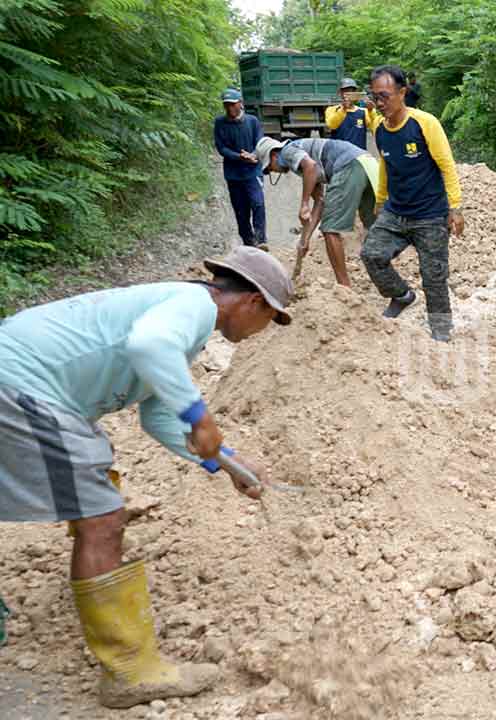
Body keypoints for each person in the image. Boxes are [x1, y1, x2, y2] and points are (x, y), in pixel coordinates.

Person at [0, 247, 293, 708]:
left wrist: (227, 463)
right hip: (22, 382)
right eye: (270, 319)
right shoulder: (192, 307)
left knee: (91, 478)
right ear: (254, 301)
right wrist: (200, 416)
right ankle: (130, 671)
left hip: (18, 374)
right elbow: (148, 346)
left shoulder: (183, 321)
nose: (262, 332)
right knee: (102, 517)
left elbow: (158, 418)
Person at [360, 64, 464, 341]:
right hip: (396, 212)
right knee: (372, 254)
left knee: (434, 278)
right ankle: (402, 295)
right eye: (375, 97)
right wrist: (380, 199)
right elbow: (385, 165)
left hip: (430, 215)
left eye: (385, 96)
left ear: (402, 92)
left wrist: (455, 206)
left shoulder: (425, 123)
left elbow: (446, 164)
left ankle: (441, 334)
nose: (379, 103)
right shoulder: (381, 129)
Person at [255, 136, 379, 287]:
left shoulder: (287, 151)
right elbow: (320, 201)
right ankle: (382, 274)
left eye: (269, 168)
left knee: (330, 229)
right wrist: (305, 239)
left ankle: (344, 287)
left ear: (274, 155)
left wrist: (304, 203)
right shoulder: (305, 163)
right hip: (368, 164)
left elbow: (311, 166)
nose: (272, 171)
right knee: (372, 225)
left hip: (349, 165)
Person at [213, 89, 268, 250]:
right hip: (233, 174)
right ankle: (248, 243)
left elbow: (260, 141)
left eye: (232, 104)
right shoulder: (220, 123)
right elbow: (221, 147)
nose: (230, 108)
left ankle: (261, 239)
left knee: (258, 203)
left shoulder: (252, 121)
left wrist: (253, 155)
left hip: (253, 171)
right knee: (241, 211)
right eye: (226, 105)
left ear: (240, 103)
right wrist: (239, 156)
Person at [325, 77, 380, 150]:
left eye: (351, 91)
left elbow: (375, 128)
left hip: (359, 153)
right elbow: (331, 125)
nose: (349, 93)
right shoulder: (332, 110)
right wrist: (343, 109)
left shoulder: (363, 111)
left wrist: (371, 110)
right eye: (345, 91)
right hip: (338, 154)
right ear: (340, 93)